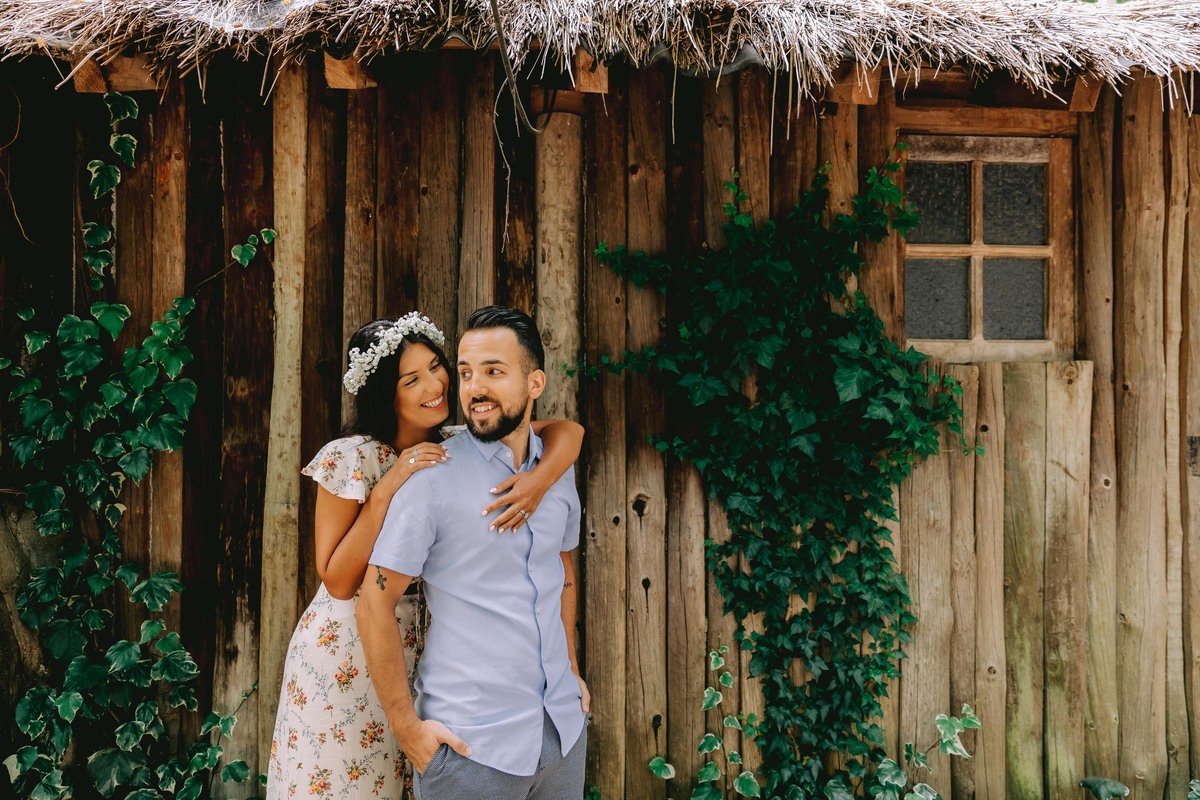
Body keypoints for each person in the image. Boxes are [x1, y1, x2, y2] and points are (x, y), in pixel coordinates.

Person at [266, 311, 584, 800]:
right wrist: (389, 486)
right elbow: (339, 582)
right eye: (412, 378)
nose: (437, 384)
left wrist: (538, 484)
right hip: (346, 650)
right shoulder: (351, 457)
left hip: (420, 647)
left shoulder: (461, 441)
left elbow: (567, 432)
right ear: (385, 394)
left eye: (437, 367)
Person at [357, 305, 589, 800]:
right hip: (469, 750)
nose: (474, 388)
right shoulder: (430, 481)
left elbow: (561, 570)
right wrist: (407, 730)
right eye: (464, 373)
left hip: (564, 734)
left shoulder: (558, 471)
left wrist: (570, 668)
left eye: (493, 371)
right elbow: (373, 601)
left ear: (535, 383)